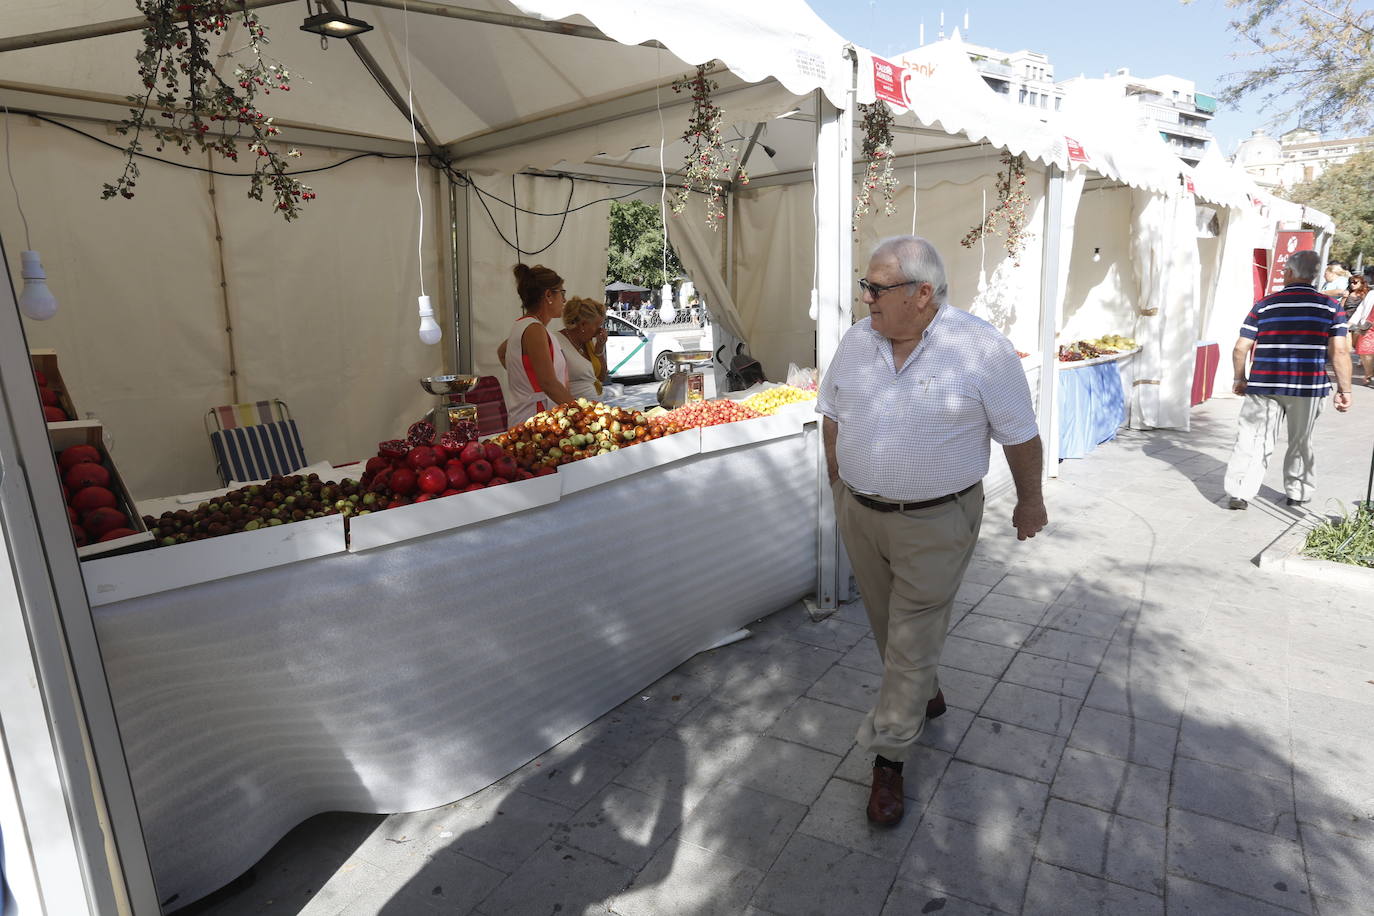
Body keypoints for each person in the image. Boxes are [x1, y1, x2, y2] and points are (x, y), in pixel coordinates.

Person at [816, 235, 1046, 827]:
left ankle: (889, 756)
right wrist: (841, 485)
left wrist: (1030, 502)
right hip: (862, 515)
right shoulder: (858, 341)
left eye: (877, 287)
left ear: (922, 294)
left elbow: (1020, 435)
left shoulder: (980, 349)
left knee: (911, 636)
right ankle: (925, 689)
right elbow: (832, 414)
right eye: (866, 285)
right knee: (886, 624)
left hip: (938, 521)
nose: (865, 296)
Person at [1224, 249, 1352, 510]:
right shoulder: (1330, 307)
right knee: (1301, 440)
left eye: (1284, 271)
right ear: (1315, 275)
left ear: (1291, 272)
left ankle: (1240, 491)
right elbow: (1339, 350)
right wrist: (1345, 389)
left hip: (1264, 385)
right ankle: (1298, 491)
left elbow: (1241, 347)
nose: (1283, 274)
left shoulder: (1265, 304)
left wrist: (1240, 378)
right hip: (1308, 386)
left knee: (1253, 437)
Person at [500, 264, 574, 425]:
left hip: (533, 416)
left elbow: (502, 352)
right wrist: (580, 412)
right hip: (535, 421)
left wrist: (523, 378)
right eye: (562, 292)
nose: (564, 299)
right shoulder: (534, 329)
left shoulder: (525, 326)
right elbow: (549, 383)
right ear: (548, 295)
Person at [556, 296, 609, 399]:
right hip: (574, 411)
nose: (600, 331)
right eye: (598, 326)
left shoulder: (589, 343)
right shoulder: (557, 341)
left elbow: (601, 377)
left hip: (594, 408)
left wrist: (599, 349)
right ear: (583, 325)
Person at [1344, 274, 1373, 385]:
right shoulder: (1371, 294)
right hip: (1368, 326)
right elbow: (1361, 309)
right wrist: (1350, 323)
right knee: (1365, 351)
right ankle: (1369, 374)